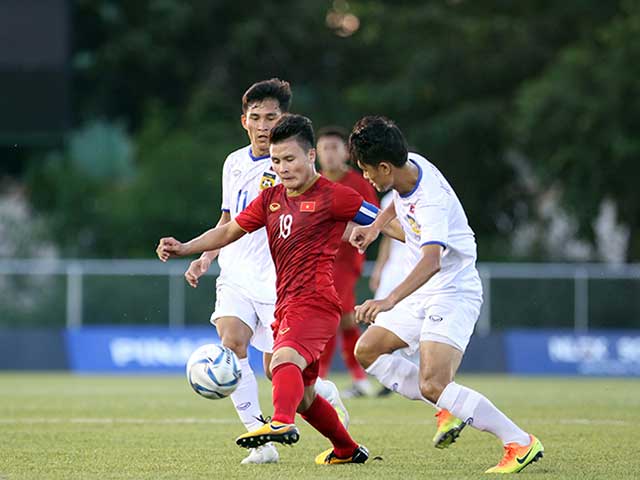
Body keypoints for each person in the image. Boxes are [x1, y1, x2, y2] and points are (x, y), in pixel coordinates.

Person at [157, 114, 403, 465]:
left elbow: (384, 219)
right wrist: (185, 247)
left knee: (284, 360)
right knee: (302, 395)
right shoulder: (271, 198)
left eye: (290, 159)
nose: (283, 168)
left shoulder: (335, 196)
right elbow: (227, 232)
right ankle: (347, 450)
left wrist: (428, 244)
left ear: (310, 156)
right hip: (285, 303)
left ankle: (279, 422)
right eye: (276, 161)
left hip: (316, 301)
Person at [348, 116, 544, 474]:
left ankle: (520, 442)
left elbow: (432, 262)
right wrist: (376, 227)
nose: (366, 178)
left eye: (366, 170)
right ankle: (445, 406)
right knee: (368, 350)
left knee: (434, 382)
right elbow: (397, 200)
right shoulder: (412, 164)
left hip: (452, 291)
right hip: (424, 291)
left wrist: (388, 300)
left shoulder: (431, 204)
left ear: (385, 167)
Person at [182, 79, 346, 465]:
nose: (263, 125)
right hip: (236, 272)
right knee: (232, 342)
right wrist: (206, 257)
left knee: (279, 371)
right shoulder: (234, 162)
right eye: (255, 117)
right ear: (244, 121)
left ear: (283, 119)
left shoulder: (293, 168)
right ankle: (261, 441)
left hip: (279, 280)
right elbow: (228, 218)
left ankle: (323, 395)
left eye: (271, 117)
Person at [316, 126, 378, 397]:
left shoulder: (358, 183)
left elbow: (376, 220)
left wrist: (343, 231)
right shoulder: (311, 181)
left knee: (328, 315)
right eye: (324, 148)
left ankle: (319, 379)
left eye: (334, 147)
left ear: (345, 152)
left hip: (344, 262)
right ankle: (360, 378)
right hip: (316, 261)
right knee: (346, 321)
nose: (329, 154)